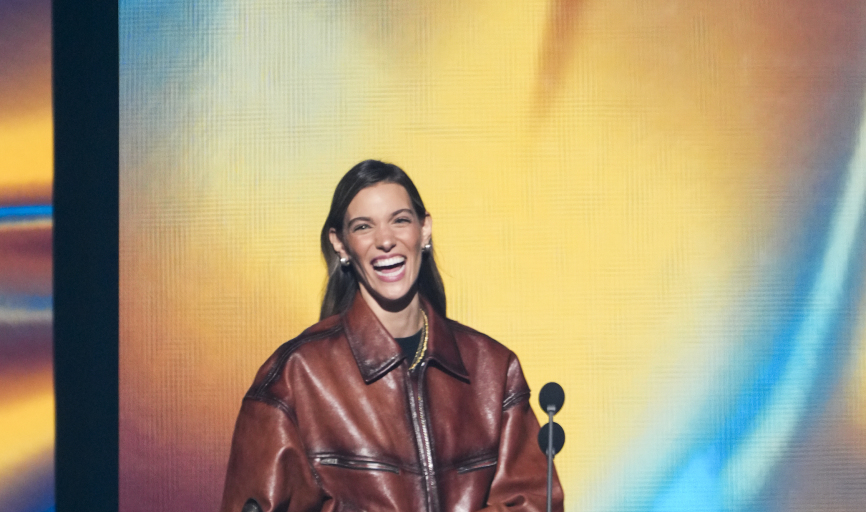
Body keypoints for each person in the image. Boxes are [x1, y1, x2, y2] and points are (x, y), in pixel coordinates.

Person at [220, 160, 564, 512]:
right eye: (363, 226)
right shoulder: (295, 377)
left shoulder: (493, 368)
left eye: (400, 220)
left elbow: (532, 503)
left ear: (424, 229)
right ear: (340, 243)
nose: (385, 240)